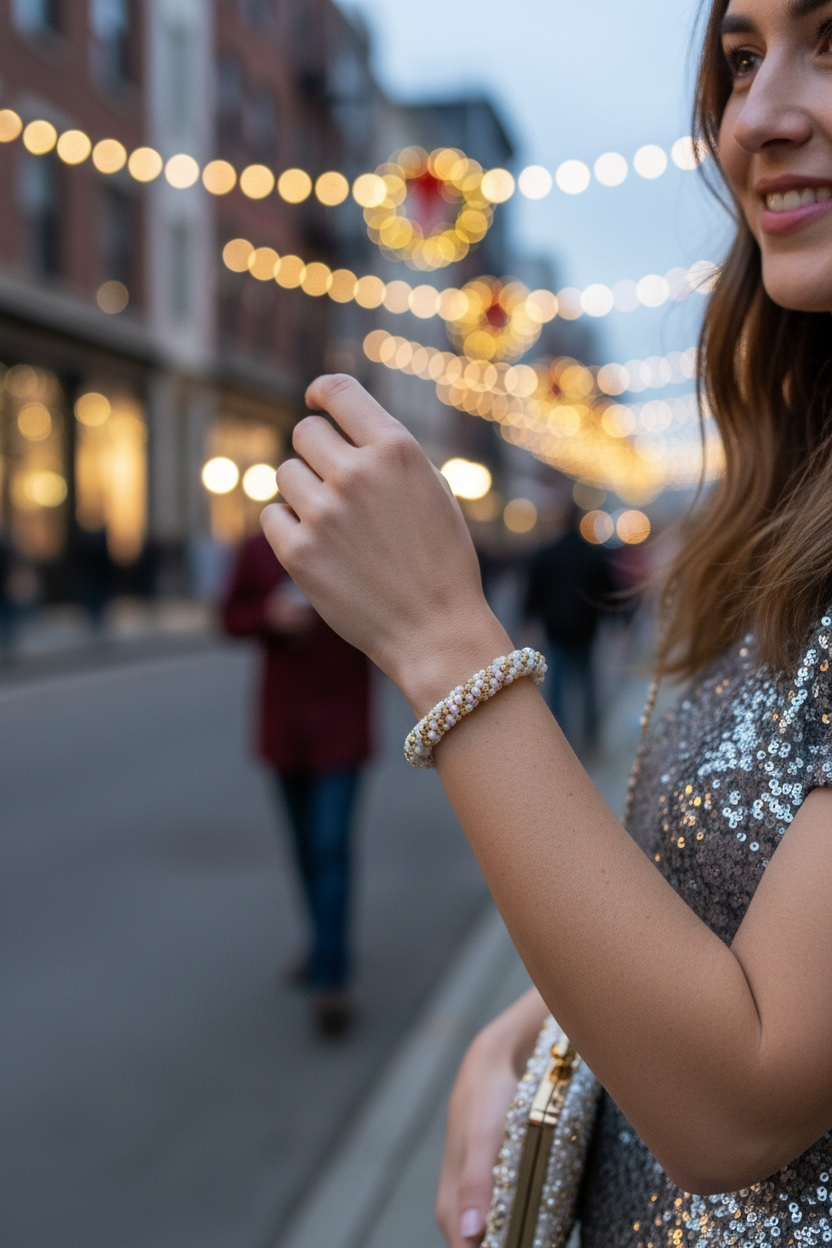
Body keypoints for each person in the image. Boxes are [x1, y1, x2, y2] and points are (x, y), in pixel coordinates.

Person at [258, 0, 832, 1241]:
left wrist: (441, 638)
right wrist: (542, 1019)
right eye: (741, 59)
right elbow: (721, 910)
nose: (761, 116)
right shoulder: (778, 500)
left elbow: (741, 1105)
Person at [220, 531, 372, 1037]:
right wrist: (268, 615)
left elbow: (386, 626)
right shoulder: (258, 548)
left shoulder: (354, 544)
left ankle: (331, 977)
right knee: (306, 848)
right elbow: (228, 617)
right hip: (285, 730)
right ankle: (320, 945)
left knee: (330, 845)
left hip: (342, 728)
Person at [523, 502, 614, 754]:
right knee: (587, 685)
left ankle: (559, 742)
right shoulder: (593, 554)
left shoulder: (548, 553)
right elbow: (607, 591)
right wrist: (618, 623)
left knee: (558, 687)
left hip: (557, 628)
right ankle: (591, 737)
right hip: (586, 628)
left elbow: (535, 590)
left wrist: (528, 620)